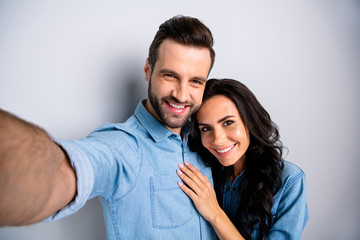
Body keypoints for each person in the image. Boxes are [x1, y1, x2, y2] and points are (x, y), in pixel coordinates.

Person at [0, 15, 218, 239]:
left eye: (195, 81)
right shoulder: (121, 147)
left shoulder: (211, 140)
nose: (181, 95)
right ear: (147, 70)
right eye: (170, 75)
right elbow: (59, 172)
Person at [176, 78, 309, 240]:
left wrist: (215, 213)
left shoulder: (289, 180)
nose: (218, 140)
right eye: (206, 128)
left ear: (251, 122)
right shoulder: (203, 171)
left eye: (228, 122)